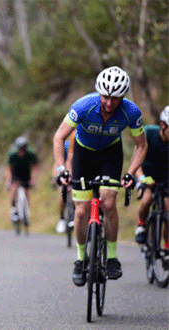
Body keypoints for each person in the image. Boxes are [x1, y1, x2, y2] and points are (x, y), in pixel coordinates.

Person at [53, 66, 147, 287]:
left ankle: (112, 257)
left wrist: (131, 173)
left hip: (109, 155)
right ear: (98, 93)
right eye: (105, 96)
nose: (109, 102)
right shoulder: (84, 106)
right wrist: (60, 169)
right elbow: (59, 137)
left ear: (123, 97)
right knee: (81, 210)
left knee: (108, 202)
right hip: (83, 155)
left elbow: (141, 146)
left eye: (115, 98)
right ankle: (80, 259)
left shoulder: (131, 112)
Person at [134, 106, 169, 247]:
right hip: (146, 175)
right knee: (146, 199)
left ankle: (167, 247)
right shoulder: (148, 133)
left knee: (168, 208)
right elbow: (136, 160)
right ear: (163, 125)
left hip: (165, 178)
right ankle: (141, 225)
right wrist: (142, 178)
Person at [6, 136, 39, 223]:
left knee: (26, 192)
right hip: (16, 172)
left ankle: (26, 213)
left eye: (23, 149)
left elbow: (35, 167)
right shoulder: (12, 154)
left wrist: (33, 179)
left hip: (26, 172)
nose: (21, 151)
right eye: (20, 149)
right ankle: (13, 209)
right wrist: (9, 180)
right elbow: (9, 168)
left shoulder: (31, 154)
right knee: (14, 189)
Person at [54, 131, 75, 233]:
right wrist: (57, 175)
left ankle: (75, 215)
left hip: (76, 169)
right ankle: (62, 218)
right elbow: (57, 163)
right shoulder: (66, 146)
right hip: (65, 169)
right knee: (62, 192)